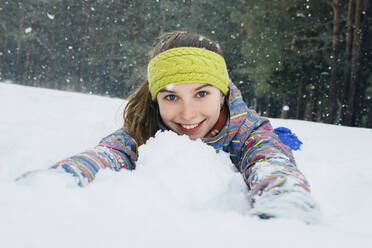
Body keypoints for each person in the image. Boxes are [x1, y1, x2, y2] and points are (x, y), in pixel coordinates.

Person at [19, 31, 318, 221]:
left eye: (202, 93)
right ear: (156, 98)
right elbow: (110, 152)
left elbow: (269, 159)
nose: (187, 114)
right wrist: (65, 176)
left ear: (222, 93)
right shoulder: (147, 127)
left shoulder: (249, 131)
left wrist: (283, 195)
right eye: (172, 96)